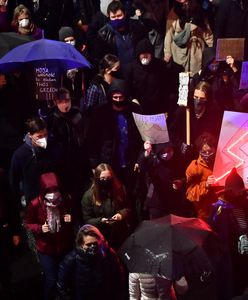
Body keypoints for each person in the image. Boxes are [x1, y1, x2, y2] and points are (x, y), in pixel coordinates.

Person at [24, 172, 74, 300]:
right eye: (49, 190)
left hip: (63, 245)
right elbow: (28, 223)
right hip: (46, 248)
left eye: (55, 189)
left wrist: (70, 218)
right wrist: (39, 228)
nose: (53, 192)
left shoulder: (65, 199)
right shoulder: (35, 204)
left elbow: (73, 214)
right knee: (51, 280)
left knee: (65, 279)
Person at [86, 78, 142, 191]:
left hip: (130, 160)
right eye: (115, 97)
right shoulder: (100, 112)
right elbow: (92, 140)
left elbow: (141, 137)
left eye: (121, 97)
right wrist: (94, 164)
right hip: (108, 162)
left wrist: (139, 159)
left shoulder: (134, 110)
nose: (118, 100)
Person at [48, 87, 91, 224]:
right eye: (61, 101)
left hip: (79, 163)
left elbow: (85, 137)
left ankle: (81, 223)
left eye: (67, 100)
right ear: (55, 102)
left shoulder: (78, 114)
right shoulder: (52, 118)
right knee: (66, 197)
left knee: (80, 195)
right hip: (62, 165)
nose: (65, 104)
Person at [209, 168, 248, 299]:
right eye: (238, 192)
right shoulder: (220, 208)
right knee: (229, 287)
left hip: (244, 255)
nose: (240, 195)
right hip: (228, 257)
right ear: (229, 192)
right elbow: (214, 234)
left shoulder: (245, 204)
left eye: (242, 192)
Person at [57, 224, 124, 300]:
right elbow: (61, 287)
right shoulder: (71, 259)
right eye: (89, 245)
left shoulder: (108, 253)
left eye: (95, 243)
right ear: (81, 244)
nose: (93, 247)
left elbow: (118, 275)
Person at [168, 80, 223, 162]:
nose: (198, 102)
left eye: (202, 98)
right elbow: (171, 131)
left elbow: (217, 134)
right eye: (196, 97)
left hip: (202, 155)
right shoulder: (184, 110)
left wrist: (208, 143)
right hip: (184, 156)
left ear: (208, 99)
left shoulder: (213, 113)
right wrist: (180, 144)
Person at [9, 117, 55, 210]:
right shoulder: (20, 154)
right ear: (30, 135)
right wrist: (19, 205)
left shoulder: (52, 148)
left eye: (45, 135)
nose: (44, 139)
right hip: (32, 203)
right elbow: (14, 181)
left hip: (52, 199)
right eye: (39, 136)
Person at [82, 163, 130, 249]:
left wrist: (121, 215)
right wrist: (101, 221)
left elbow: (128, 207)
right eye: (102, 178)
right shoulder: (89, 196)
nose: (106, 180)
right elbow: (87, 220)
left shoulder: (120, 189)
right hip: (101, 236)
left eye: (108, 178)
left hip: (119, 234)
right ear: (97, 179)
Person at [94, 0, 147, 76]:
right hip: (119, 75)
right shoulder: (103, 34)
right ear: (109, 17)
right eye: (113, 17)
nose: (117, 19)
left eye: (119, 16)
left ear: (124, 14)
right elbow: (100, 58)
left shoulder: (136, 26)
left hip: (138, 71)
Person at [138, 140, 187, 220]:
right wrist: (147, 152)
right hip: (157, 203)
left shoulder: (178, 160)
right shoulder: (154, 162)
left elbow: (186, 176)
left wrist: (181, 182)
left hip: (174, 203)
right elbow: (142, 166)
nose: (166, 154)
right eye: (163, 152)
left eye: (168, 151)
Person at [164, 0, 213, 76]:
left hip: (196, 51)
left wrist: (213, 49)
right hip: (179, 51)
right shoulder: (174, 13)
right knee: (181, 75)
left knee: (195, 76)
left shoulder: (198, 12)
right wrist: (167, 52)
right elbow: (169, 34)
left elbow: (207, 34)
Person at [126, 38, 171, 114]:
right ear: (138, 55)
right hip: (139, 107)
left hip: (157, 107)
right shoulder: (131, 67)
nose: (144, 56)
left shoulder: (160, 65)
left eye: (147, 53)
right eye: (142, 54)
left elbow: (166, 87)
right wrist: (132, 99)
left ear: (151, 54)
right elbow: (128, 88)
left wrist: (165, 107)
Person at [185, 132, 218, 220]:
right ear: (199, 151)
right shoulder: (194, 167)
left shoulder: (221, 162)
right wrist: (206, 185)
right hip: (205, 213)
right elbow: (190, 194)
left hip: (223, 210)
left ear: (215, 149)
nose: (207, 154)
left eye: (210, 151)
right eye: (204, 152)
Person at [0, 167, 21, 300]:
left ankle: (7, 291)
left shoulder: (1, 175)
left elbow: (11, 203)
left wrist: (15, 231)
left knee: (4, 265)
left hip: (3, 227)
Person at [59, 26, 85, 108]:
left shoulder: (81, 52)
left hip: (79, 92)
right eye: (66, 41)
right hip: (65, 92)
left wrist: (78, 69)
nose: (70, 42)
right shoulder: (58, 55)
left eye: (71, 40)